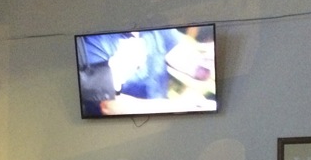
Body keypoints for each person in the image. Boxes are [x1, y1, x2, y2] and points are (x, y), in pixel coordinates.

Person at [78, 27, 216, 117]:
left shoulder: (157, 28)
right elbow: (109, 107)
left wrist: (209, 59)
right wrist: (181, 107)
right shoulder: (93, 40)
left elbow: (196, 68)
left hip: (163, 123)